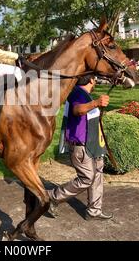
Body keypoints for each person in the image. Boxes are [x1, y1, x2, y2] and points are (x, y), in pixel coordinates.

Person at [48, 74, 113, 221]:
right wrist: (96, 103)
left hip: (93, 145)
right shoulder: (77, 92)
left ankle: (94, 211)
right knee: (86, 178)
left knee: (97, 175)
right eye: (95, 78)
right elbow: (77, 110)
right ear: (91, 80)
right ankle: (52, 196)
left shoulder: (85, 94)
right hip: (81, 146)